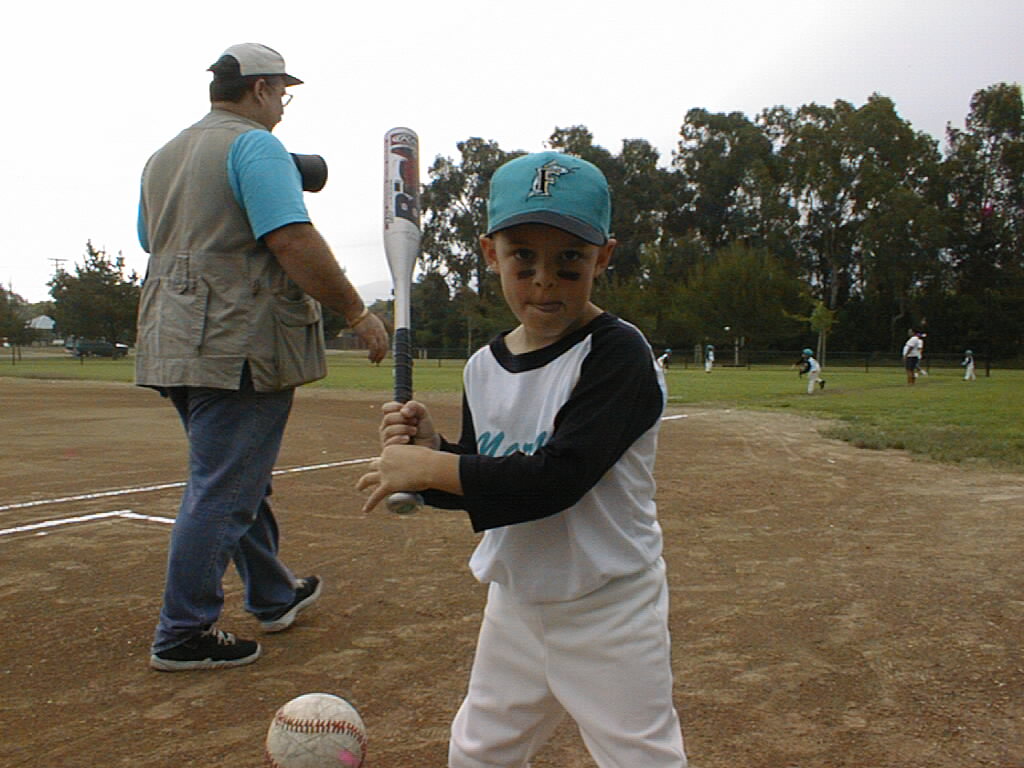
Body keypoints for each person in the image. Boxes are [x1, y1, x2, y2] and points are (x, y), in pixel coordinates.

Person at [357, 152, 688, 767]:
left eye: (570, 261)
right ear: (491, 254)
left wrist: (430, 470)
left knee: (640, 758)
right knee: (478, 754)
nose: (544, 281)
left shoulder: (617, 355)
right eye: (523, 258)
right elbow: (492, 482)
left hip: (609, 607)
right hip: (515, 604)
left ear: (603, 258)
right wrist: (437, 454)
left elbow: (557, 479)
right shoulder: (483, 367)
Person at [136, 43, 389, 671]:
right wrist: (356, 311)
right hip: (238, 340)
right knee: (225, 486)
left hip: (174, 337)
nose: (282, 104)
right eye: (282, 92)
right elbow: (291, 239)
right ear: (259, 90)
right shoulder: (256, 145)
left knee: (236, 474)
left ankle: (274, 595)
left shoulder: (162, 156)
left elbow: (149, 238)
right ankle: (183, 631)